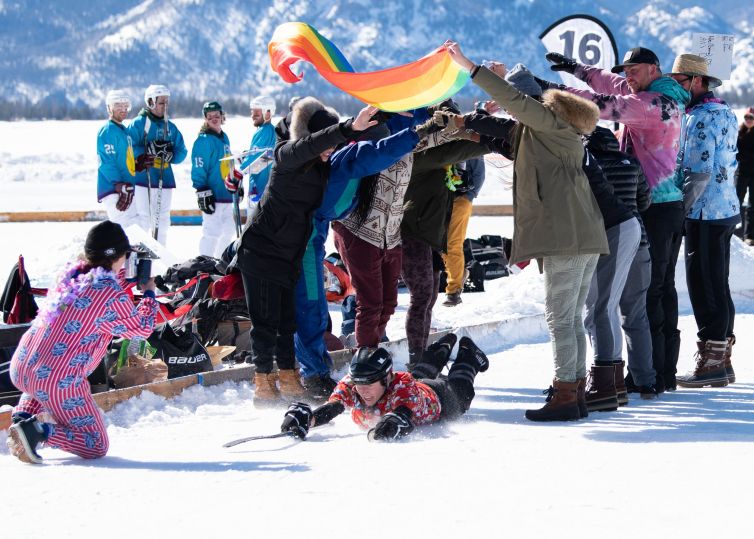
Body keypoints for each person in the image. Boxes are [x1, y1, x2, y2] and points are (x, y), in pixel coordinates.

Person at [445, 43, 607, 422]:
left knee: (560, 318)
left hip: (567, 238)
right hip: (580, 235)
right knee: (569, 317)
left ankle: (567, 393)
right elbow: (508, 130)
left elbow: (514, 103)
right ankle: (574, 390)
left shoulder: (551, 124)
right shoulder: (556, 134)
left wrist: (473, 68)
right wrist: (467, 125)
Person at [541, 47, 689, 392]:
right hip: (658, 204)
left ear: (654, 69)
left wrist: (549, 89)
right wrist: (578, 68)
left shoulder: (657, 104)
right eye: (627, 70)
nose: (628, 76)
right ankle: (655, 374)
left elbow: (603, 104)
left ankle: (652, 375)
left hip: (656, 206)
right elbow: (610, 85)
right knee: (654, 291)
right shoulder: (649, 93)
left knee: (646, 295)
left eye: (635, 70)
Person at [234, 97, 379, 407]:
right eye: (322, 141)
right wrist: (346, 127)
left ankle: (287, 377)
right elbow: (314, 143)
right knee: (266, 321)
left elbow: (334, 147)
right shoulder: (287, 155)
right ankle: (263, 383)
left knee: (287, 321)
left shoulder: (321, 170)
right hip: (260, 252)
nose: (329, 151)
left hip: (288, 254)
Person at [293, 114, 435, 401]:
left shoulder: (341, 153)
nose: (329, 147)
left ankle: (317, 371)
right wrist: (419, 132)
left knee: (318, 308)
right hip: (298, 241)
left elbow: (387, 131)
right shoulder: (343, 158)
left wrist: (426, 114)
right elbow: (381, 150)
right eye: (325, 141)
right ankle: (310, 375)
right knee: (310, 309)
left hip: (314, 237)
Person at [6, 221, 157, 464]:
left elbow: (96, 292)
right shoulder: (110, 293)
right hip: (57, 380)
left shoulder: (70, 276)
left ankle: (22, 419)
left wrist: (126, 279)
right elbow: (142, 329)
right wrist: (149, 294)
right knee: (96, 444)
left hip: (23, 367)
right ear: (118, 256)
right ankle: (37, 432)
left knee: (41, 384)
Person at [667, 54, 740, 388]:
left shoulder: (698, 118)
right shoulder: (725, 112)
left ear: (696, 81)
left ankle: (711, 360)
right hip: (725, 208)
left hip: (704, 210)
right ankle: (721, 358)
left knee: (704, 285)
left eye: (680, 82)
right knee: (718, 283)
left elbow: (698, 172)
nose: (677, 89)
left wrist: (678, 211)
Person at [278, 335, 489, 442]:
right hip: (415, 384)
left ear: (386, 378)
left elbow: (404, 412)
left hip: (439, 398)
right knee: (418, 376)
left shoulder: (403, 388)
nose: (364, 391)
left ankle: (468, 354)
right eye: (359, 385)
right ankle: (439, 349)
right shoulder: (355, 383)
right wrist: (308, 420)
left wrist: (393, 423)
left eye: (370, 384)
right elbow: (333, 406)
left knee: (461, 394)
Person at [585, 127, 656, 400]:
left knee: (602, 309)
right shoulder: (633, 164)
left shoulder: (592, 166)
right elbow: (645, 201)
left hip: (607, 242)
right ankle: (645, 380)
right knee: (635, 313)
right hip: (639, 243)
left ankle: (608, 375)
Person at [127, 84, 188, 245]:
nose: (165, 106)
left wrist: (171, 154)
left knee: (162, 221)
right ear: (151, 102)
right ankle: (139, 259)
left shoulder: (170, 127)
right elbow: (127, 147)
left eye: (167, 102)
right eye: (162, 102)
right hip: (143, 179)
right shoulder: (139, 124)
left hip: (164, 179)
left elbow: (182, 151)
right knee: (144, 218)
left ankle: (160, 258)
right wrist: (145, 150)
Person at [190, 101, 242, 258]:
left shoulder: (224, 137)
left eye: (217, 115)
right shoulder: (203, 140)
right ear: (205, 118)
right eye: (210, 116)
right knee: (212, 231)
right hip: (213, 195)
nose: (214, 118)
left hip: (227, 194)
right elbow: (199, 167)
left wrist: (236, 183)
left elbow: (228, 163)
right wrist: (202, 190)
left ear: (222, 116)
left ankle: (221, 264)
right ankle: (205, 263)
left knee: (228, 231)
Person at [442, 156, 486, 307]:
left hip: (460, 198)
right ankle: (459, 275)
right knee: (439, 244)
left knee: (453, 243)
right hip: (438, 198)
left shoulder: (469, 137)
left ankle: (453, 291)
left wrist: (469, 196)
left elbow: (479, 171)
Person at [97, 90, 140, 230]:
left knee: (134, 227)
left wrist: (138, 163)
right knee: (124, 228)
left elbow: (124, 159)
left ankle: (132, 253)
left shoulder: (124, 130)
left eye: (125, 105)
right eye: (118, 106)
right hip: (115, 189)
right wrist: (118, 184)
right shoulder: (108, 131)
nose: (123, 109)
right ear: (109, 108)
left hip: (126, 187)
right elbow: (107, 161)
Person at [240, 96, 277, 210]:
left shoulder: (264, 131)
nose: (252, 115)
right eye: (252, 112)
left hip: (259, 190)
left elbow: (255, 159)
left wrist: (239, 172)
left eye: (257, 112)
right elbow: (265, 156)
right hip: (266, 190)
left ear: (268, 112)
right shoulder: (271, 130)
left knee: (255, 226)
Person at [736, 107, 754, 245]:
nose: (748, 120)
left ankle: (750, 235)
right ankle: (737, 233)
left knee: (752, 205)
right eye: (746, 117)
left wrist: (744, 155)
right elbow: (735, 153)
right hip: (741, 173)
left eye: (751, 118)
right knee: (737, 203)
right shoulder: (739, 132)